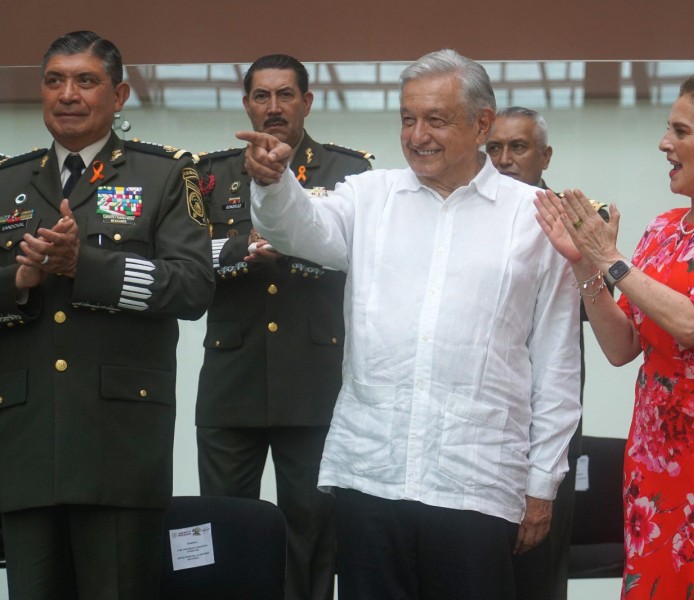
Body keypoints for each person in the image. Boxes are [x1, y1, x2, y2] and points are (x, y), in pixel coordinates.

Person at [238, 48, 582, 600]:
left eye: (436, 120)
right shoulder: (371, 195)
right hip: (371, 474)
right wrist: (274, 183)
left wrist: (542, 483)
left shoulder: (534, 217)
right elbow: (298, 231)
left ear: (482, 123)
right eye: (407, 119)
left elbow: (558, 363)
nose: (417, 134)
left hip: (478, 480)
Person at [535, 73, 694, 598]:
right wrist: (585, 265)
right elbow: (621, 346)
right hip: (655, 451)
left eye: (680, 130)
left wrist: (610, 258)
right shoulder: (662, 229)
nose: (664, 144)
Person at [0, 31, 214, 599]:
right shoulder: (7, 182)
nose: (67, 94)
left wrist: (85, 266)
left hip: (118, 445)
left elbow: (194, 288)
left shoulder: (166, 175)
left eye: (85, 81)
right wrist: (19, 280)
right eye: (54, 81)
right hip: (23, 444)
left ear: (119, 96)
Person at [195, 53, 372, 600]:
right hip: (233, 377)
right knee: (225, 528)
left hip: (313, 377)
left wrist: (295, 244)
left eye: (285, 95)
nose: (273, 108)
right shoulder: (209, 172)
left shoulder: (349, 172)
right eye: (262, 96)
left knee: (312, 531)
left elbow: (361, 257)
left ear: (307, 102)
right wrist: (239, 249)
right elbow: (185, 258)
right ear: (246, 102)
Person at [487, 106, 582, 599]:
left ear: (544, 155)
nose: (504, 160)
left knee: (540, 568)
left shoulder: (578, 221)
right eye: (494, 148)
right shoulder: (469, 215)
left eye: (517, 147)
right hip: (482, 427)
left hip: (547, 420)